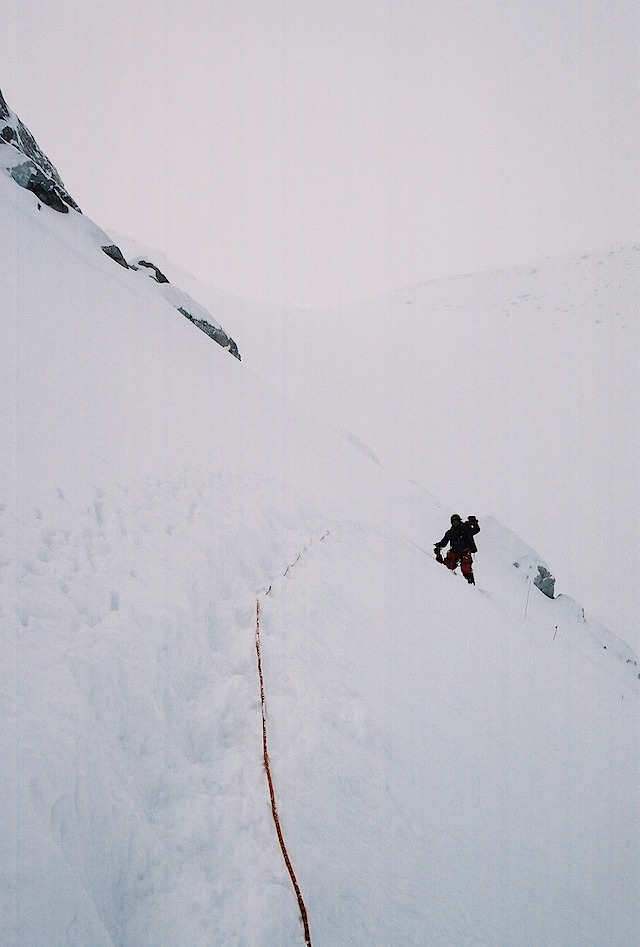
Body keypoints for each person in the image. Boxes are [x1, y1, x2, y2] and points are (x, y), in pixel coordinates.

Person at [434, 514, 480, 584]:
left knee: (466, 566)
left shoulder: (465, 529)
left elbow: (476, 530)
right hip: (455, 551)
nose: (455, 523)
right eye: (453, 521)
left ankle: (470, 582)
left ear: (459, 521)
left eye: (456, 521)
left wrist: (474, 523)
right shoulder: (450, 532)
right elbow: (444, 542)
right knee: (448, 564)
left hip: (465, 551)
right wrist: (439, 546)